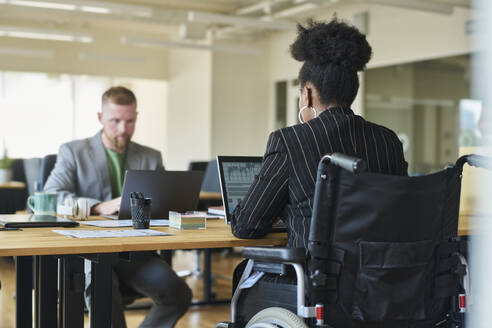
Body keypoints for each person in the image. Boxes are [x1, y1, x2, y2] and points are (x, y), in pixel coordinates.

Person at [230, 19, 408, 249]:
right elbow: (400, 212)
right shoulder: (388, 141)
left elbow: (246, 226)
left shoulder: (288, 141)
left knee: (242, 273)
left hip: (315, 279)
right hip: (381, 278)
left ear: (308, 93)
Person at [44, 86, 192, 328]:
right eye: (115, 121)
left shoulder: (150, 157)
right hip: (88, 251)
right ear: (101, 118)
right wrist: (99, 207)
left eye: (130, 121)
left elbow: (166, 201)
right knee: (103, 286)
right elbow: (52, 195)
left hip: (134, 252)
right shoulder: (73, 151)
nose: (123, 129)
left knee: (178, 294)